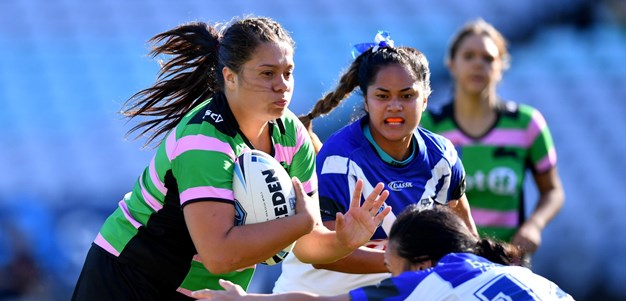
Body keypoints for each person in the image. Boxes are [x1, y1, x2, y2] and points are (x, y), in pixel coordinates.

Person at [71, 16, 392, 301]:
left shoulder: (293, 137)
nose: (282, 86)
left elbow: (306, 243)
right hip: (131, 278)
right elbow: (219, 255)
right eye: (267, 73)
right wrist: (298, 223)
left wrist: (344, 240)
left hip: (209, 292)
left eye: (288, 73)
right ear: (230, 77)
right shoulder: (204, 139)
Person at [273, 31, 478, 296]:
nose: (395, 106)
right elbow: (322, 255)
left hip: (392, 290)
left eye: (407, 96)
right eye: (382, 96)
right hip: (316, 293)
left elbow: (466, 238)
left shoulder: (443, 156)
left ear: (425, 99)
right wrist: (406, 263)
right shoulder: (339, 160)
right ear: (367, 101)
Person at [192, 205, 574, 301]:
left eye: (391, 268)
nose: (392, 278)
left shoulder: (431, 281)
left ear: (421, 265)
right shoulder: (523, 276)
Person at [420, 19, 565, 256]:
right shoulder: (428, 126)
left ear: (501, 67)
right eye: (469, 56)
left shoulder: (526, 123)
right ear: (451, 64)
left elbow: (553, 191)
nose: (478, 64)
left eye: (487, 58)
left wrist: (534, 226)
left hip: (506, 260)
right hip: (445, 258)